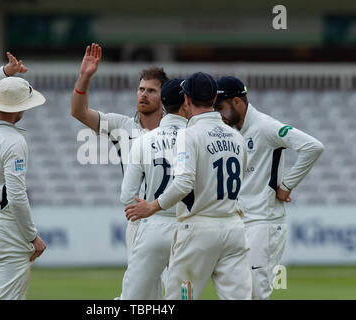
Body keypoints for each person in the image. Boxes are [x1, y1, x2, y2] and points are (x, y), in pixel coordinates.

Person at [125, 72, 252, 300]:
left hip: (198, 229)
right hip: (234, 228)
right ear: (214, 98)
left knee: (179, 298)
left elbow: (184, 181)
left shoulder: (189, 135)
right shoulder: (236, 137)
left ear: (187, 101)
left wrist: (154, 206)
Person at [213, 76, 324, 299]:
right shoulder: (230, 131)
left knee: (255, 293)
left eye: (220, 108)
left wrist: (286, 185)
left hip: (264, 223)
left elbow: (313, 147)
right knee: (236, 294)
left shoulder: (265, 126)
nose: (218, 114)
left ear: (237, 102)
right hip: (238, 223)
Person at [70, 43, 169, 258]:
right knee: (138, 291)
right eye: (141, 89)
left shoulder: (176, 130)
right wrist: (85, 76)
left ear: (164, 97)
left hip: (170, 218)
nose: (143, 94)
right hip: (138, 222)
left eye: (152, 90)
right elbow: (79, 112)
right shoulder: (122, 126)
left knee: (175, 288)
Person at [0, 52, 47, 300]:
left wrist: (6, 71)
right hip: (4, 231)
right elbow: (16, 196)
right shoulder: (13, 141)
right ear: (19, 108)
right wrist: (32, 236)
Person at [119, 79, 189, 299]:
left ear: (164, 104)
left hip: (153, 225)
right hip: (188, 228)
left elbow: (127, 195)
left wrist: (145, 208)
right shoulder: (198, 138)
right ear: (187, 103)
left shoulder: (144, 140)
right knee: (181, 295)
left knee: (135, 297)